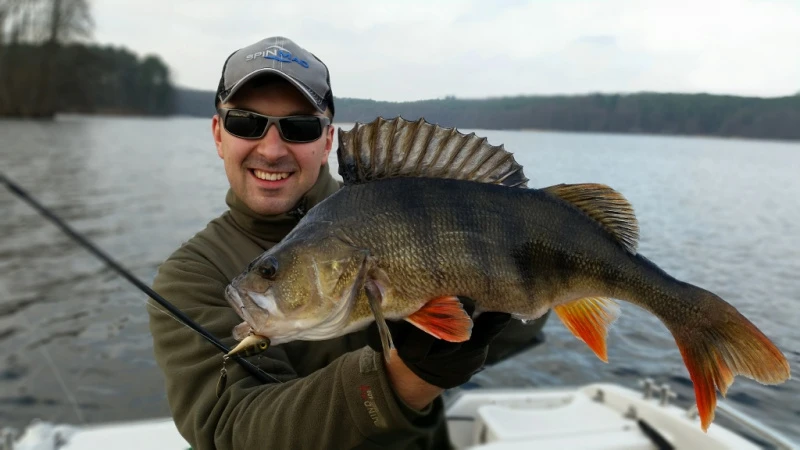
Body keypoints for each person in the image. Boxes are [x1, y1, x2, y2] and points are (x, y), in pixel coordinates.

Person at [147, 36, 549, 450]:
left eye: (299, 127)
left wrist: (515, 300)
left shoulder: (387, 206)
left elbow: (507, 336)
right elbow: (231, 429)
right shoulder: (190, 277)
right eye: (246, 123)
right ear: (218, 134)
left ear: (326, 141)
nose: (271, 149)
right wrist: (406, 379)